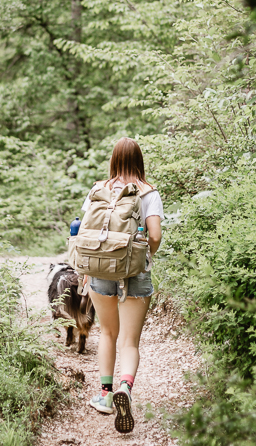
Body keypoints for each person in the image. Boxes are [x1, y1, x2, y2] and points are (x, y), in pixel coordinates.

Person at [83, 137, 163, 434]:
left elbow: (86, 231)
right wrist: (143, 256)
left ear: (113, 160)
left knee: (107, 332)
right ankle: (125, 388)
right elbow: (153, 236)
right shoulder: (148, 192)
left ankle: (105, 396)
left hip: (100, 269)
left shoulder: (98, 189)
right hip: (136, 272)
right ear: (140, 161)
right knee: (130, 341)